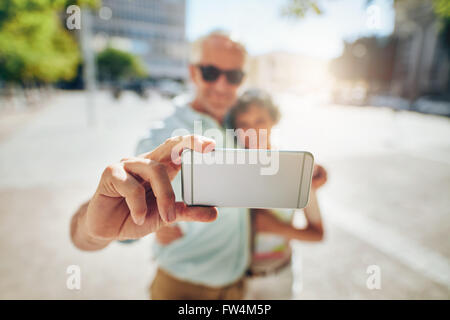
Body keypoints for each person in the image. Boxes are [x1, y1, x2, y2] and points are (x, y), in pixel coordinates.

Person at [71, 31, 251, 299]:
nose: (223, 85)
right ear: (193, 73)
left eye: (234, 76)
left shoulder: (245, 123)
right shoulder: (164, 134)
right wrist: (92, 230)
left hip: (238, 285)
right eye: (211, 72)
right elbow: (110, 221)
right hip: (183, 286)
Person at [225, 89, 327, 299]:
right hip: (236, 280)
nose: (252, 131)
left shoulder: (295, 170)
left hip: (279, 276)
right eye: (243, 124)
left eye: (260, 120)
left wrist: (277, 228)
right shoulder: (229, 171)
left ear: (274, 120)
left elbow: (317, 233)